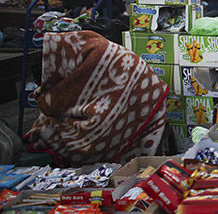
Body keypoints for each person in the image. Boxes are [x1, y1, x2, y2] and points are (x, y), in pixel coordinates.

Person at [26, 31, 168, 166]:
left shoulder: (90, 54)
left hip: (138, 96)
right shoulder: (72, 56)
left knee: (82, 135)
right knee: (52, 117)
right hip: (119, 88)